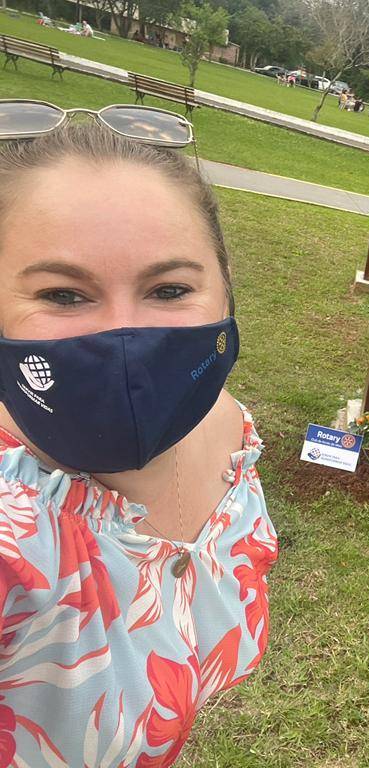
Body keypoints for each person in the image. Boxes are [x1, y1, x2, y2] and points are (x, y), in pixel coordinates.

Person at [0, 107, 277, 765]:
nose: (124, 335)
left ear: (225, 292)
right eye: (64, 295)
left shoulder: (227, 428)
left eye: (169, 288)